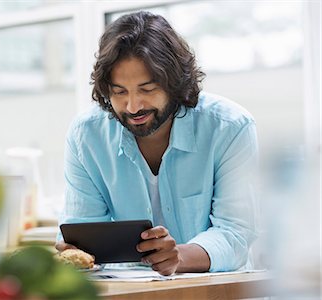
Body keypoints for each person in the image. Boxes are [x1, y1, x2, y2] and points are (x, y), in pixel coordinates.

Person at [56, 11, 258, 276]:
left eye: (147, 89)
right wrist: (76, 252)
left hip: (214, 291)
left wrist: (179, 257)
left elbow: (237, 233)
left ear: (174, 83)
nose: (133, 106)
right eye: (119, 92)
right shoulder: (87, 136)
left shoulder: (229, 128)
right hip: (129, 291)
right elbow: (84, 231)